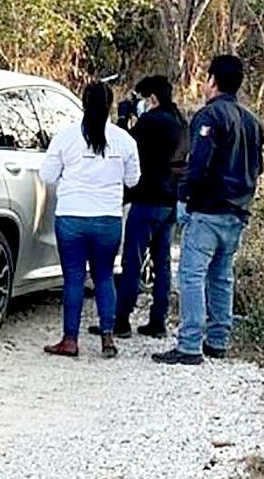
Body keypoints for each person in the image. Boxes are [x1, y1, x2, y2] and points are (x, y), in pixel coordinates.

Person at [153, 55, 264, 365]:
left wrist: (184, 196)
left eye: (206, 78)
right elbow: (259, 167)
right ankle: (218, 340)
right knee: (221, 276)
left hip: (208, 210)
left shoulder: (209, 116)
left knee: (191, 275)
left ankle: (189, 344)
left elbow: (198, 163)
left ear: (213, 81)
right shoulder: (252, 122)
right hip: (237, 211)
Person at [39, 82, 141, 359]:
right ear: (110, 105)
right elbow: (133, 180)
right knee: (104, 276)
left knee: (73, 278)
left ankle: (70, 340)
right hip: (108, 218)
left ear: (83, 104)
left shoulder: (65, 137)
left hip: (71, 216)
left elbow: (47, 175)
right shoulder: (124, 140)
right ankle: (107, 338)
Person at [87, 75, 189, 339]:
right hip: (170, 199)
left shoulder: (151, 121)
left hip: (147, 198)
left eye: (143, 99)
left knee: (133, 260)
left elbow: (124, 145)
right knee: (162, 262)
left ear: (152, 98)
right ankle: (158, 320)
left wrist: (123, 118)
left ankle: (121, 320)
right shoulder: (181, 122)